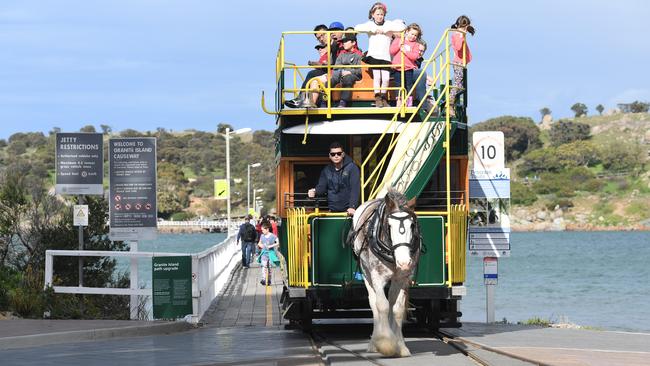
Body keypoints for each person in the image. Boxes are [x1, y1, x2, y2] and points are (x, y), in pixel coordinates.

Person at [355, 2, 406, 108]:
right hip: (374, 55)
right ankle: (377, 97)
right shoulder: (370, 24)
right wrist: (373, 30)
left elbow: (402, 27)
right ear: (373, 15)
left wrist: (386, 30)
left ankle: (383, 97)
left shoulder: (388, 24)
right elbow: (357, 28)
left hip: (385, 56)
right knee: (377, 77)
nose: (379, 16)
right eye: (377, 14)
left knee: (386, 78)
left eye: (381, 14)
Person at [285, 22, 345, 108]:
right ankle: (307, 101)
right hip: (330, 72)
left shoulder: (340, 44)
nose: (321, 39)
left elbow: (334, 61)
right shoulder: (329, 47)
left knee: (312, 74)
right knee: (313, 77)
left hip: (336, 73)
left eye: (323, 35)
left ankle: (301, 98)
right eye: (318, 38)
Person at [306, 33, 363, 108]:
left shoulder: (358, 54)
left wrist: (349, 72)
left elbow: (359, 70)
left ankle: (343, 102)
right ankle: (324, 102)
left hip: (353, 75)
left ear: (353, 43)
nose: (344, 43)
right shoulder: (342, 54)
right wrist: (341, 72)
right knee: (329, 82)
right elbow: (336, 67)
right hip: (340, 73)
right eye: (343, 42)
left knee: (348, 79)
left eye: (346, 41)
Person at [308, 142, 360, 216]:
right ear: (330, 156)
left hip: (349, 212)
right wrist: (314, 191)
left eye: (339, 153)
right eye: (333, 154)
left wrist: (352, 206)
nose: (336, 156)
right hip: (332, 211)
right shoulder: (326, 170)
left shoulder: (352, 168)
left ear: (343, 154)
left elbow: (355, 189)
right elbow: (322, 187)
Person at [390, 23, 423, 107]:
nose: (413, 36)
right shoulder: (399, 40)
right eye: (412, 34)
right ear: (407, 32)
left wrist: (405, 51)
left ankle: (409, 101)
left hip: (408, 68)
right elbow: (392, 51)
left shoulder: (416, 45)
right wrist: (399, 46)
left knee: (408, 85)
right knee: (399, 85)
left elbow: (415, 56)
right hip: (398, 67)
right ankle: (399, 101)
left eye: (415, 35)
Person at [449, 15, 475, 117]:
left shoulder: (459, 33)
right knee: (458, 84)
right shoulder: (457, 34)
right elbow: (459, 47)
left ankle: (451, 100)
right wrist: (462, 35)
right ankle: (450, 103)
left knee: (459, 83)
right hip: (458, 62)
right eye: (463, 27)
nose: (465, 30)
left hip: (461, 62)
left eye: (466, 28)